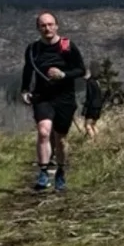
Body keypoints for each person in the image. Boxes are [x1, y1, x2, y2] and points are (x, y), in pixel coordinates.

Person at [20, 11, 86, 192]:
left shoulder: (67, 46)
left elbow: (81, 70)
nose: (47, 28)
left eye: (50, 24)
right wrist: (24, 89)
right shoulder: (33, 49)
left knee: (60, 139)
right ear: (38, 28)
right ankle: (43, 172)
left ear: (56, 26)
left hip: (64, 98)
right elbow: (28, 70)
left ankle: (61, 172)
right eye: (43, 25)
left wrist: (63, 74)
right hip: (42, 96)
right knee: (43, 131)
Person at [81, 62, 104, 139]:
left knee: (87, 125)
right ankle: (99, 139)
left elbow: (89, 96)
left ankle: (93, 141)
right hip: (98, 106)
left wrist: (85, 109)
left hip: (92, 107)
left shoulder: (89, 82)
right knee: (93, 125)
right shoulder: (96, 82)